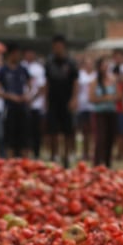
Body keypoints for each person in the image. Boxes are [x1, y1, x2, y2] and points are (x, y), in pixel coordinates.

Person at [44, 35, 79, 168]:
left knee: (68, 131)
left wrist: (74, 98)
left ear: (63, 47)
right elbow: (47, 82)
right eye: (55, 47)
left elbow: (75, 82)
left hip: (67, 101)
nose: (57, 49)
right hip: (53, 101)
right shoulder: (49, 63)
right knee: (52, 131)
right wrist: (46, 100)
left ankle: (66, 157)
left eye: (59, 46)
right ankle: (54, 156)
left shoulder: (71, 63)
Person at [0, 45, 32, 159]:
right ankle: (10, 162)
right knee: (10, 138)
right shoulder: (3, 70)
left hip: (22, 108)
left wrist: (26, 95)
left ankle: (25, 162)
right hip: (9, 108)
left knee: (24, 138)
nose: (17, 56)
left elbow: (30, 85)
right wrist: (10, 96)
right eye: (15, 54)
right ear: (10, 54)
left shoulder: (23, 69)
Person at [89, 56, 120, 168]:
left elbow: (118, 95)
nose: (106, 67)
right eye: (103, 65)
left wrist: (112, 97)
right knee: (100, 139)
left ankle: (107, 163)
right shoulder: (94, 82)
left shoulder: (113, 80)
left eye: (107, 64)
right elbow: (91, 98)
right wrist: (106, 98)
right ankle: (97, 163)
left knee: (110, 138)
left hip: (111, 112)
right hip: (99, 113)